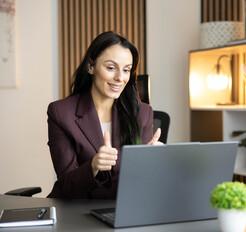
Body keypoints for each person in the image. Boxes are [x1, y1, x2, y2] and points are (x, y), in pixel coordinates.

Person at [47, 31, 161, 199]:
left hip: (120, 211)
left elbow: (140, 184)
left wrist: (152, 164)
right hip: (75, 210)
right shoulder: (61, 113)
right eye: (111, 68)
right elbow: (66, 184)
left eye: (126, 70)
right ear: (91, 66)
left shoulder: (142, 113)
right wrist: (93, 166)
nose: (120, 78)